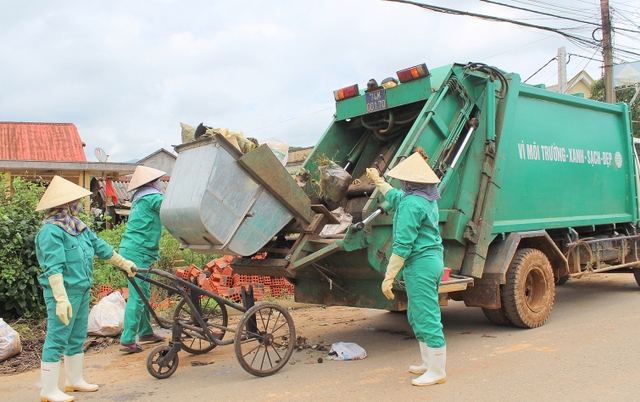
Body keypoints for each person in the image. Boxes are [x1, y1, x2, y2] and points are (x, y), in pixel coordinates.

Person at [35, 175, 136, 402]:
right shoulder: (51, 231)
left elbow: (100, 247)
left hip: (81, 290)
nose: (81, 205)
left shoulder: (78, 227)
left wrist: (124, 263)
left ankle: (73, 380)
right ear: (66, 204)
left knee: (77, 335)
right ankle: (48, 390)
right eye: (77, 201)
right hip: (64, 293)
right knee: (57, 337)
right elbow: (53, 268)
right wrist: (60, 299)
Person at [366, 152, 446, 387]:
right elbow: (395, 196)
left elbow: (402, 246)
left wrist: (388, 277)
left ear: (410, 181)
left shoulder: (412, 204)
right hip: (427, 262)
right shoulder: (423, 198)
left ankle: (437, 370)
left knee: (427, 316)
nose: (401, 184)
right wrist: (378, 180)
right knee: (416, 314)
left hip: (420, 264)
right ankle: (427, 362)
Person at [119, 166, 166, 353]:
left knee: (142, 292)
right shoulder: (153, 197)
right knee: (138, 296)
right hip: (139, 252)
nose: (160, 183)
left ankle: (146, 331)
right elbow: (173, 209)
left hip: (130, 250)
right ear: (152, 183)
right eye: (158, 181)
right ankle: (128, 338)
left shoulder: (139, 198)